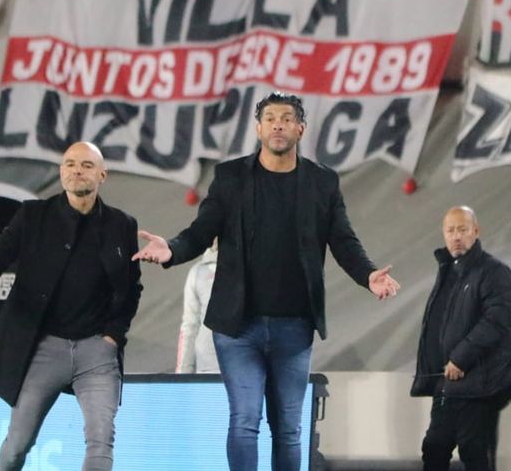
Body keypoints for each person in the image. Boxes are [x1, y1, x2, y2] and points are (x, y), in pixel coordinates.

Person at [134, 92, 401, 471]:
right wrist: (172, 250)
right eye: (271, 118)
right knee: (245, 421)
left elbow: (343, 240)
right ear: (258, 128)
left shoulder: (322, 181)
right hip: (238, 327)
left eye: (287, 119)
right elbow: (201, 231)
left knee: (288, 429)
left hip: (295, 326)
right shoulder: (230, 178)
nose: (279, 125)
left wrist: (367, 275)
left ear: (300, 129)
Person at [0, 142, 141, 470]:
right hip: (44, 347)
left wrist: (113, 336)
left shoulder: (122, 225)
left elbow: (132, 288)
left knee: (101, 441)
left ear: (102, 175)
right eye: (70, 164)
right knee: (17, 446)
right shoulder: (33, 215)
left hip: (97, 351)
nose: (77, 170)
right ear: (62, 172)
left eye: (87, 165)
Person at [411, 207, 511, 471]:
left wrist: (460, 358)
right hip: (447, 385)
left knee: (475, 453)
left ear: (476, 231)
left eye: (462, 229)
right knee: (434, 448)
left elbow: (496, 322)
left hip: (481, 385)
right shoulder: (448, 273)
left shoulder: (495, 272)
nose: (456, 236)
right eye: (450, 230)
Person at [176, 244, 218, 373]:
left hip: (244, 366)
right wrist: (183, 373)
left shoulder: (252, 267)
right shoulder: (198, 272)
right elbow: (190, 326)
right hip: (208, 367)